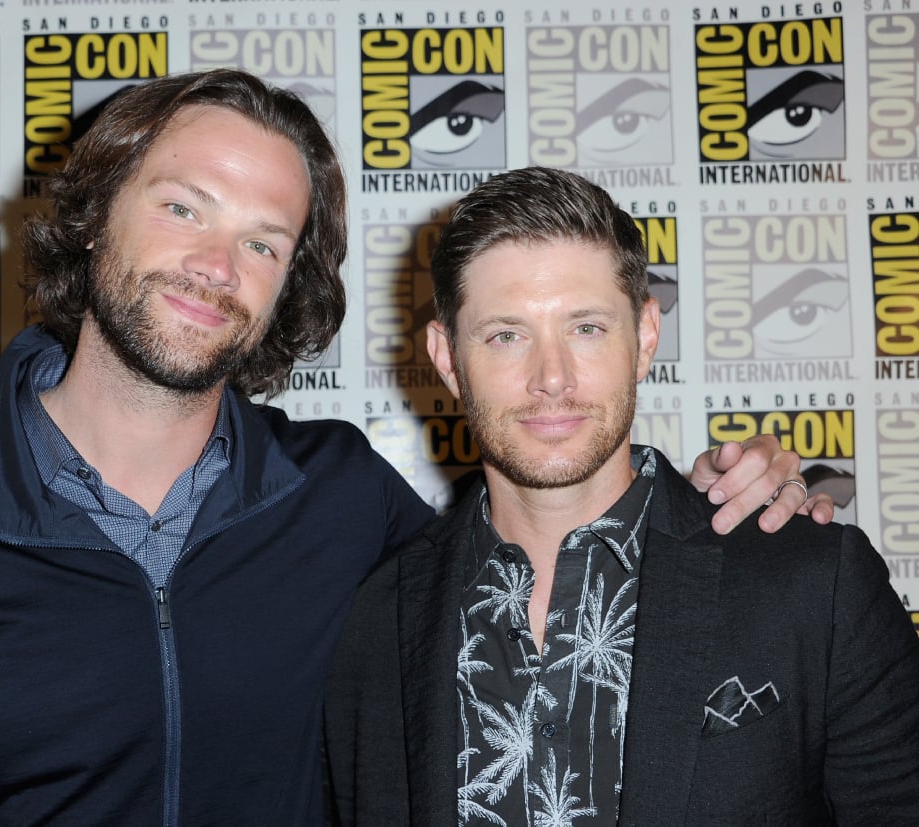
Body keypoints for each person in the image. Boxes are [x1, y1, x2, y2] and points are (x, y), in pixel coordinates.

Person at [0, 74, 824, 826]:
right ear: (96, 213)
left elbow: (546, 537)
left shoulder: (342, 497)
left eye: (263, 241)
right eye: (184, 208)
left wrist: (727, 499)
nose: (218, 266)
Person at [323, 167, 919, 826]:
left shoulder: (814, 583)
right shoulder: (376, 621)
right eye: (506, 335)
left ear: (646, 337)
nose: (552, 377)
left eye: (586, 328)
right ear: (446, 358)